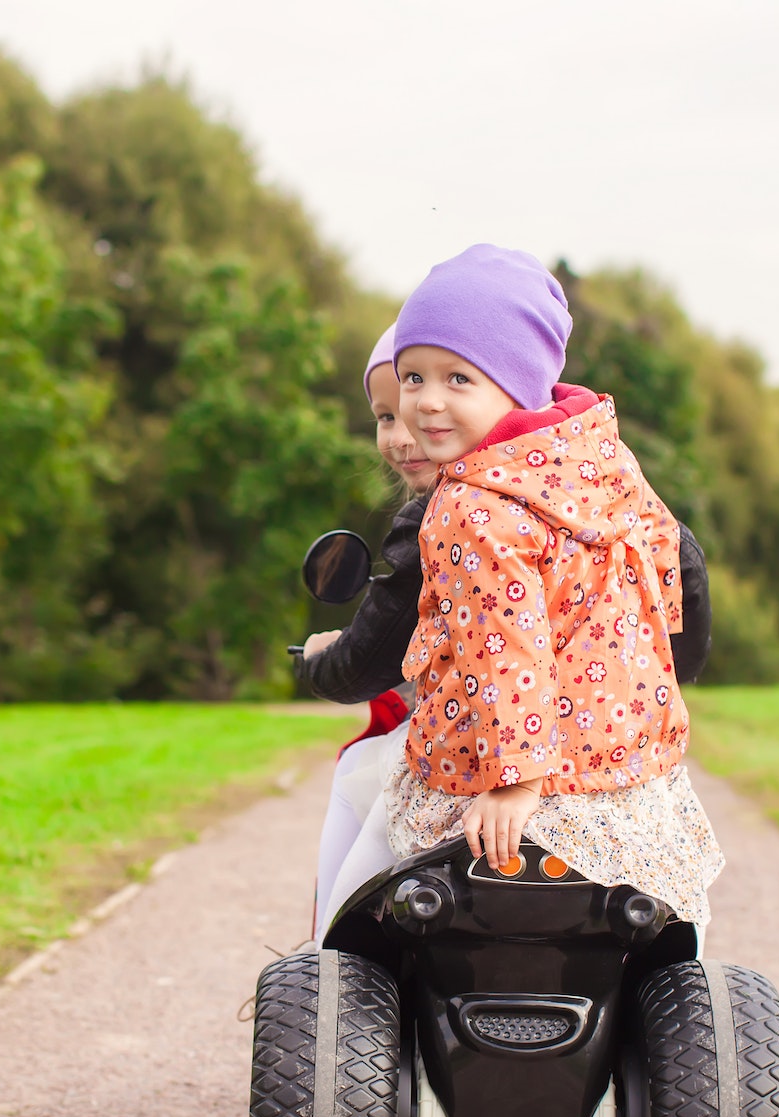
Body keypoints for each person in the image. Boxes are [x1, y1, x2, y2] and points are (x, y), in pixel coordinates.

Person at [325, 244, 723, 949]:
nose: (427, 400)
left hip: (516, 778)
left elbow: (500, 644)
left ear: (517, 384)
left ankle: (337, 966)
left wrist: (515, 780)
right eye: (412, 376)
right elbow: (666, 564)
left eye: (459, 378)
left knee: (366, 842)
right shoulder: (602, 458)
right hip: (624, 782)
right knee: (670, 943)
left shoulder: (467, 505)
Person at [299, 325, 438, 934]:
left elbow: (367, 663)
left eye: (415, 409)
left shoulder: (442, 515)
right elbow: (687, 623)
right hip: (606, 750)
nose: (402, 436)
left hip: (476, 753)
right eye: (386, 416)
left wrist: (320, 659)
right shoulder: (604, 487)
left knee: (356, 773)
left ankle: (325, 964)